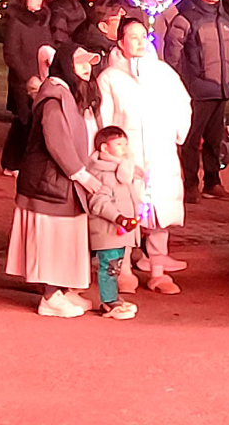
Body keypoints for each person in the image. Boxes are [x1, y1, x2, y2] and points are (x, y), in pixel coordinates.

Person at [7, 46, 104, 316]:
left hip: (58, 183)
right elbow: (56, 141)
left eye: (89, 63)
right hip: (50, 183)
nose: (87, 68)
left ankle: (59, 291)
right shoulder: (54, 98)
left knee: (64, 238)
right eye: (80, 63)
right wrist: (81, 174)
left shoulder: (65, 93)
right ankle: (50, 297)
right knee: (52, 239)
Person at [97, 19, 191, 294]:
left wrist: (176, 134)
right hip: (129, 154)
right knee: (126, 214)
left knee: (160, 216)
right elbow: (104, 117)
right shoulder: (110, 78)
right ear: (121, 42)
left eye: (143, 36)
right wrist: (110, 151)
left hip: (161, 154)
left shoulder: (163, 73)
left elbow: (182, 104)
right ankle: (123, 269)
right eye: (133, 37)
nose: (139, 42)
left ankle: (158, 271)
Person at [162, 0, 229, 202]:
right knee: (191, 140)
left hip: (221, 88)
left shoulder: (225, 18)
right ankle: (191, 184)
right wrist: (179, 86)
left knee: (215, 140)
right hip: (195, 91)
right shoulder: (184, 19)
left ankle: (213, 182)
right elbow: (172, 54)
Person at [85, 125, 144, 319]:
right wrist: (119, 218)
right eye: (119, 144)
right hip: (108, 231)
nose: (125, 149)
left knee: (115, 265)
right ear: (104, 148)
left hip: (120, 231)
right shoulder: (104, 174)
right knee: (109, 266)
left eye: (126, 144)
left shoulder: (122, 172)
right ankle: (109, 302)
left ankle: (113, 299)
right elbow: (98, 202)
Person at [0, 0, 51, 173]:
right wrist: (28, 77)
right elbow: (11, 54)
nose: (40, 0)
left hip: (43, 78)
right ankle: (12, 163)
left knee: (33, 122)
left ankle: (20, 161)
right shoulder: (16, 22)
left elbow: (49, 47)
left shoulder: (43, 20)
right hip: (23, 81)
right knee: (24, 120)